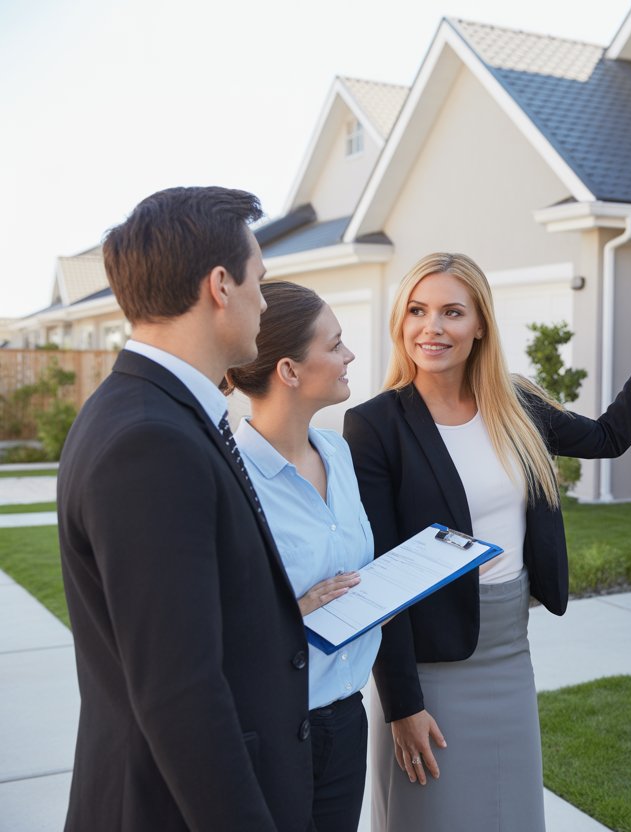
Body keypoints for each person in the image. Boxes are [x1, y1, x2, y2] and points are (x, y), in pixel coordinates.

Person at [344, 252, 631, 831]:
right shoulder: (375, 425)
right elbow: (382, 576)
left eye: (452, 312)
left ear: (480, 326)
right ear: (400, 321)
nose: (433, 328)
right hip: (429, 660)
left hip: (507, 650)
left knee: (510, 811)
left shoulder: (515, 403)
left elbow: (608, 436)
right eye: (418, 311)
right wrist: (402, 705)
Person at [56, 187, 313, 830]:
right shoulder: (150, 442)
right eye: (260, 278)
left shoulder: (152, 411)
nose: (264, 297)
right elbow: (180, 694)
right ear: (220, 285)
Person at [227, 281, 377, 832]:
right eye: (335, 344)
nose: (349, 356)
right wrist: (297, 610)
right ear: (289, 371)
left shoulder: (337, 451)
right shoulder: (231, 476)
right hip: (274, 733)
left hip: (346, 719)